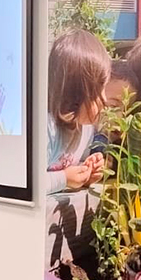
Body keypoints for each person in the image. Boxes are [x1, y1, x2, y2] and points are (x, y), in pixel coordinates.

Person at [45, 30, 109, 195]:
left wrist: (87, 172)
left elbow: (70, 171)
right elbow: (31, 185)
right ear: (74, 95)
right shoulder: (47, 129)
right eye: (97, 92)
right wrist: (65, 178)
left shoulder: (85, 128)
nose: (105, 100)